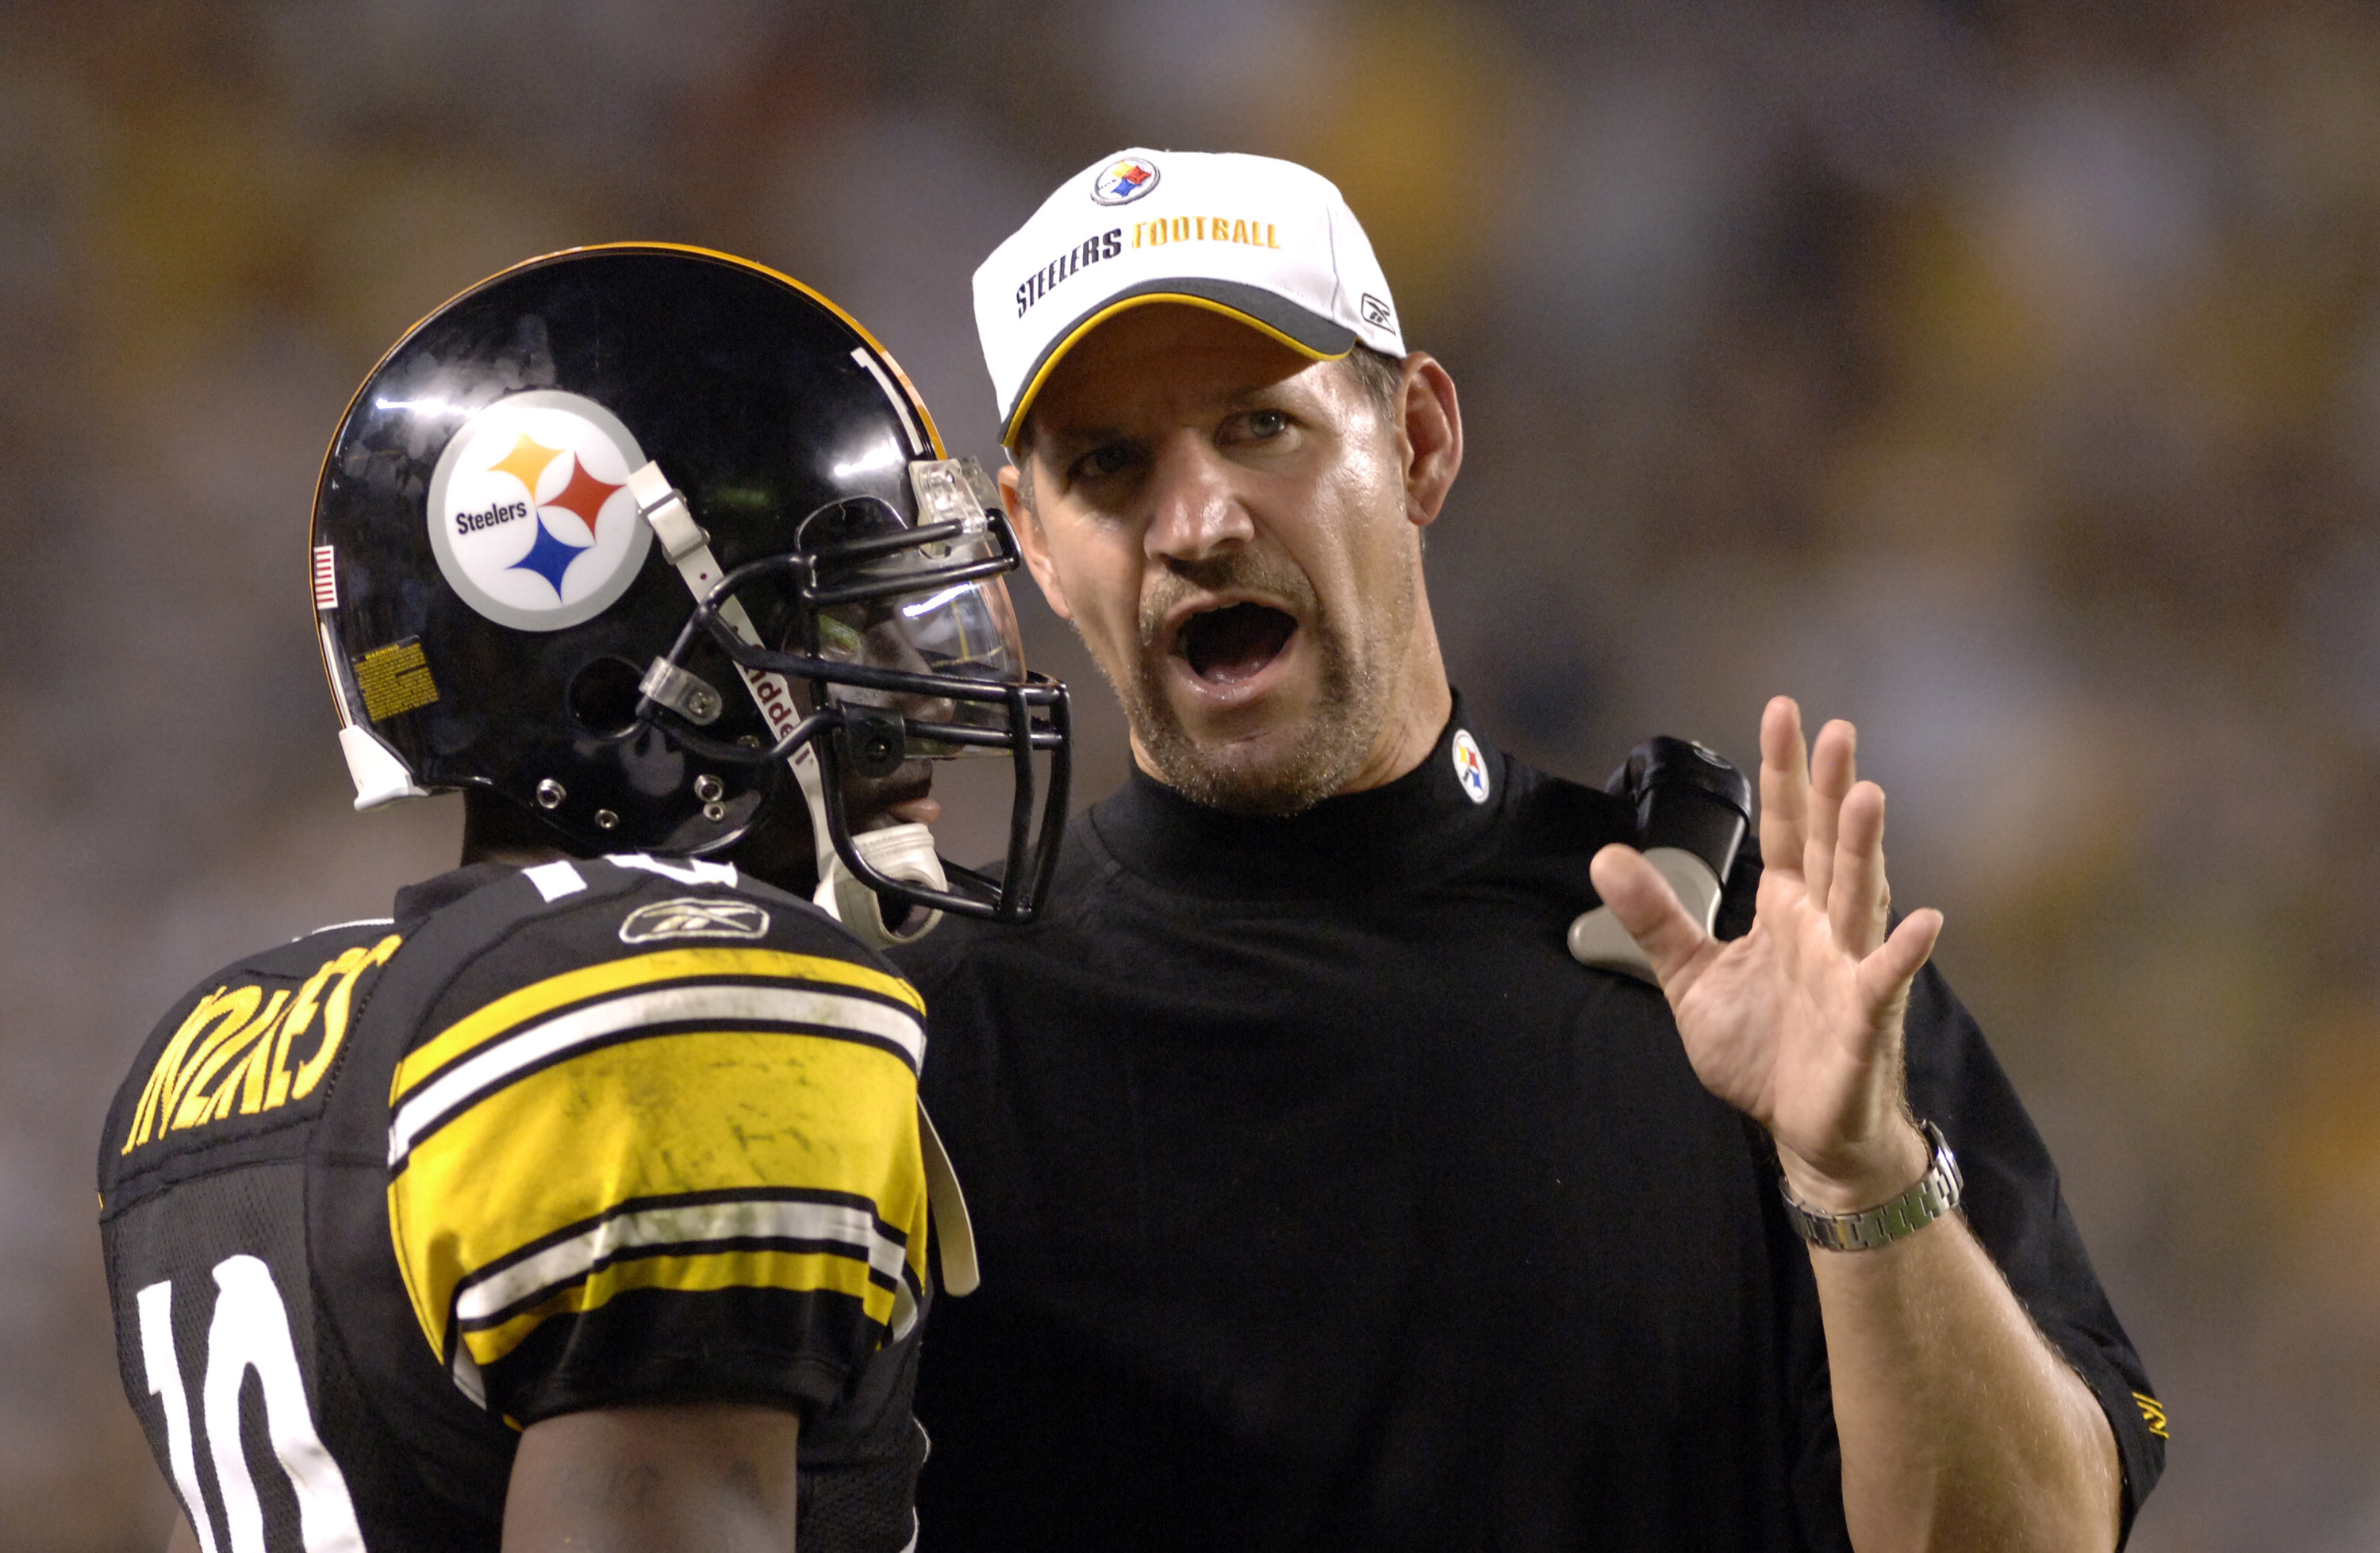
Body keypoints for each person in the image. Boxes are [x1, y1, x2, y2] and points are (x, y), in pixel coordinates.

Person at [896, 150, 2167, 1551]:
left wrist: (1863, 1175)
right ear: (1033, 540)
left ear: (1422, 441)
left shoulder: (1743, 954)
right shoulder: (929, 1055)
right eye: (1108, 466)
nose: (1196, 521)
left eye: (1260, 426)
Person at [95, 244, 1069, 1553]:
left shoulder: (229, 1046)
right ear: (625, 685)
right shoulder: (677, 1011)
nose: (922, 709)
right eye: (841, 630)